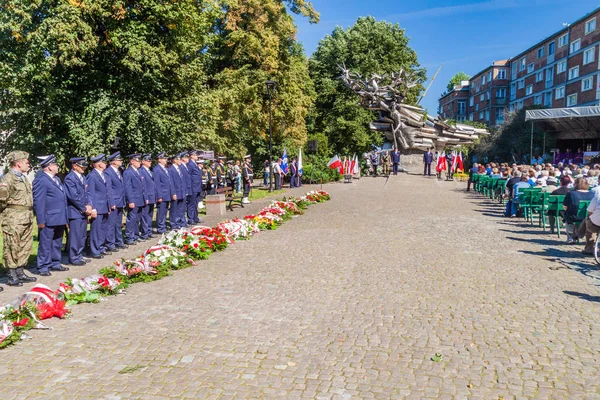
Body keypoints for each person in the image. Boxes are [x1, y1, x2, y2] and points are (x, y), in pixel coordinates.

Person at [0, 150, 37, 288]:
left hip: (26, 217)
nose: (29, 164)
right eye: (27, 162)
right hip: (13, 219)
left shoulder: (23, 177)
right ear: (18, 163)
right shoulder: (8, 179)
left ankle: (20, 271)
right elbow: (2, 200)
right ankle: (11, 274)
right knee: (12, 246)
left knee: (25, 246)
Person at [32, 155, 69, 276]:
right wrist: (40, 220)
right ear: (49, 166)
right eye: (55, 165)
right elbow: (39, 201)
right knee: (45, 243)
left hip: (59, 216)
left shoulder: (56, 179)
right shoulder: (41, 180)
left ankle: (55, 263)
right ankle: (43, 266)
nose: (57, 166)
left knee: (57, 241)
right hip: (48, 217)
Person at [64, 157, 92, 266]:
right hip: (75, 211)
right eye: (81, 166)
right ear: (75, 166)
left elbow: (88, 193)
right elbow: (73, 196)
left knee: (82, 235)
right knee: (75, 235)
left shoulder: (83, 177)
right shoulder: (69, 178)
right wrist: (84, 208)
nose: (84, 168)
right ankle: (73, 257)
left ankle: (79, 255)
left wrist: (89, 205)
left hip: (84, 210)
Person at [86, 154, 111, 259]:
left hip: (105, 206)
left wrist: (109, 205)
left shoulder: (104, 175)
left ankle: (100, 247)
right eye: (104, 162)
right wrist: (93, 208)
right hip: (97, 207)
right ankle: (94, 250)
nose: (105, 164)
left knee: (103, 229)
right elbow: (90, 193)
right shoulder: (92, 176)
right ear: (99, 164)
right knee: (96, 230)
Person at [123, 154, 147, 244]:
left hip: (140, 198)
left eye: (140, 161)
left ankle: (135, 235)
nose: (139, 162)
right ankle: (129, 237)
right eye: (137, 161)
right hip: (134, 199)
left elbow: (143, 186)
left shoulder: (139, 171)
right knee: (132, 218)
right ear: (132, 161)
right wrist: (130, 200)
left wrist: (145, 198)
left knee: (137, 218)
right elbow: (128, 188)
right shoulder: (128, 172)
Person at [104, 152, 126, 251]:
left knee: (118, 223)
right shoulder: (108, 172)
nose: (121, 161)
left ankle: (119, 241)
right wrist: (111, 202)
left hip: (120, 201)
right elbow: (109, 189)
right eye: (119, 160)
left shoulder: (119, 171)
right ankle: (110, 244)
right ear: (114, 162)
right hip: (114, 202)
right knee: (111, 224)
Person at [563, 177, 593, 244]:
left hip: (574, 217)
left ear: (575, 184)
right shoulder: (592, 193)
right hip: (588, 217)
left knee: (567, 215)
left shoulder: (571, 193)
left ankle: (570, 238)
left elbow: (565, 206)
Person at [153, 152, 173, 233]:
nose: (166, 160)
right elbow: (157, 184)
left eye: (166, 158)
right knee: (161, 211)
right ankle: (160, 227)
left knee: (165, 211)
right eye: (164, 159)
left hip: (167, 193)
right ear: (159, 159)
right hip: (162, 194)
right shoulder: (157, 169)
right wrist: (159, 196)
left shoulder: (165, 168)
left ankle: (163, 226)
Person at [139, 154, 157, 239]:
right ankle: (145, 232)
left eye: (150, 161)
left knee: (150, 215)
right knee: (145, 215)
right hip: (146, 196)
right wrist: (145, 197)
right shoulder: (141, 171)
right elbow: (143, 186)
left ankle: (149, 231)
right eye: (148, 161)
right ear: (143, 162)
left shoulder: (150, 170)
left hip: (152, 195)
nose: (150, 162)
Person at [168, 154, 185, 229]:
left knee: (180, 208)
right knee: (174, 208)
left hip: (181, 191)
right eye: (178, 159)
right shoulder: (171, 169)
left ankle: (179, 222)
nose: (180, 161)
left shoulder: (179, 168)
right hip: (175, 192)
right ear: (174, 160)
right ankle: (173, 223)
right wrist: (173, 193)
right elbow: (171, 183)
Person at [187, 150, 203, 224]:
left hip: (197, 186)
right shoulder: (190, 164)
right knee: (191, 204)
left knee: (196, 203)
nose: (197, 156)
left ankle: (195, 217)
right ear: (191, 155)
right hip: (193, 187)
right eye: (195, 155)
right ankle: (190, 219)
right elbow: (188, 176)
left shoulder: (195, 164)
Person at [179, 152, 192, 226]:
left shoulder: (185, 166)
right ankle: (182, 221)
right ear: (183, 159)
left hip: (187, 188)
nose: (188, 159)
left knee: (184, 206)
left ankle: (184, 221)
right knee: (182, 206)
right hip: (183, 189)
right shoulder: (181, 167)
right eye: (186, 157)